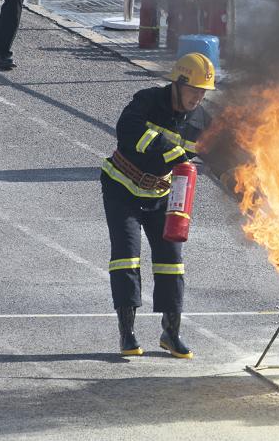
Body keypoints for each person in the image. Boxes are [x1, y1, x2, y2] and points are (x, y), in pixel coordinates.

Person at [100, 53, 215, 358]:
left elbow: (219, 155)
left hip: (161, 194)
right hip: (122, 187)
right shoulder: (147, 101)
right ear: (177, 84)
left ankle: (171, 332)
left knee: (171, 260)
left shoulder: (202, 120)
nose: (198, 98)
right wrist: (173, 152)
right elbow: (128, 132)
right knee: (126, 257)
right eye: (193, 90)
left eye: (203, 93)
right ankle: (127, 333)